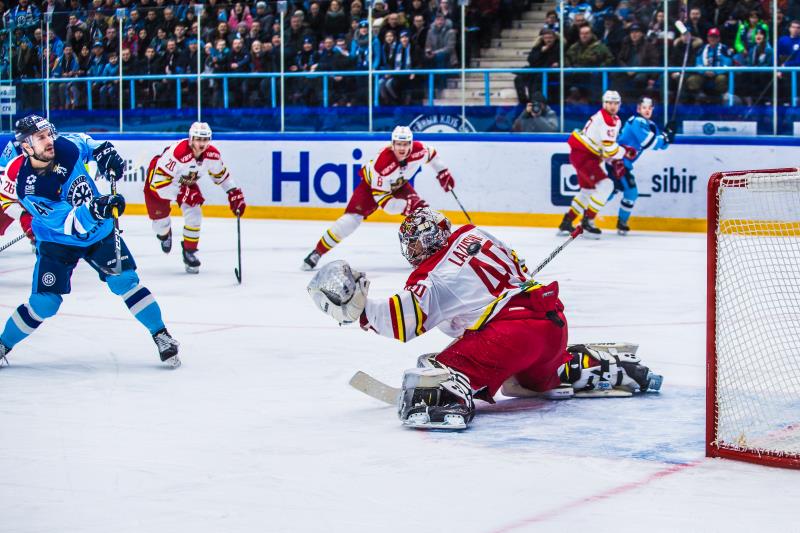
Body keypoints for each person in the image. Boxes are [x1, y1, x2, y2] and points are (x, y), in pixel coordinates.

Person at [307, 208, 663, 429]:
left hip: (512, 336)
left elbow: (402, 322)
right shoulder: (473, 232)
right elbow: (517, 269)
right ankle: (596, 367)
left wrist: (359, 309)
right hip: (551, 321)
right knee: (532, 381)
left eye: (414, 245)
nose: (412, 252)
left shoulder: (432, 275)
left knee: (435, 368)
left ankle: (446, 399)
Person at [0, 115, 180, 368]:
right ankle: (3, 344)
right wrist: (98, 208)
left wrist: (103, 153)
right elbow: (69, 224)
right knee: (45, 303)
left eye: (48, 133)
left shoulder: (64, 146)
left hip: (99, 232)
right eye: (40, 137)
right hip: (57, 241)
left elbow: (87, 143)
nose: (49, 140)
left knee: (124, 281)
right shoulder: (30, 188)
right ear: (26, 146)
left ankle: (162, 335)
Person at [301, 126, 456, 270]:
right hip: (371, 188)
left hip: (398, 184)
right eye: (398, 144)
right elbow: (386, 204)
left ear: (411, 143)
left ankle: (426, 255)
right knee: (350, 221)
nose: (402, 148)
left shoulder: (419, 150)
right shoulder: (382, 164)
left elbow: (432, 155)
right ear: (392, 144)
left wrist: (443, 172)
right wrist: (406, 206)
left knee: (423, 214)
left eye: (405, 144)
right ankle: (317, 252)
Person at [143, 122, 246, 274]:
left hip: (185, 183)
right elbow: (158, 185)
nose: (202, 143)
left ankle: (189, 252)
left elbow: (222, 177)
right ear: (191, 139)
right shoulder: (176, 154)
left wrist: (233, 192)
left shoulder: (212, 155)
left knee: (195, 214)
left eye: (205, 140)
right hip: (159, 186)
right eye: (198, 139)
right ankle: (165, 235)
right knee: (161, 225)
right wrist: (181, 193)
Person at [558, 90, 635, 238]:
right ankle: (588, 221)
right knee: (607, 186)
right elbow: (610, 149)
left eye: (615, 103)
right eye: (609, 103)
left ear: (619, 104)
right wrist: (623, 153)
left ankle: (567, 222)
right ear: (604, 103)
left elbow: (605, 149)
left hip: (585, 155)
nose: (612, 106)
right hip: (585, 156)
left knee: (587, 190)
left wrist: (615, 157)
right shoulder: (608, 120)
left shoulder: (613, 119)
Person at [606, 97, 674, 235]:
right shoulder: (637, 121)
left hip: (622, 164)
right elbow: (649, 143)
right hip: (617, 162)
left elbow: (661, 145)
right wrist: (665, 137)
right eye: (644, 107)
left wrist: (668, 134)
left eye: (649, 108)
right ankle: (589, 217)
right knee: (628, 192)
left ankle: (589, 216)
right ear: (638, 109)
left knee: (611, 191)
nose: (647, 110)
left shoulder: (650, 125)